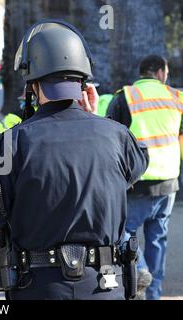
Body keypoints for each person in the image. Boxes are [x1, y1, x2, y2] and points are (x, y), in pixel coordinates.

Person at [0, 20, 149, 300]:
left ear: (33, 85)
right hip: (105, 287)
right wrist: (96, 120)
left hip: (38, 289)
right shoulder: (117, 136)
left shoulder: (13, 142)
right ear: (84, 83)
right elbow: (137, 165)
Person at [107, 55, 183, 300]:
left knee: (123, 231)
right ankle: (153, 293)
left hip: (135, 182)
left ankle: (139, 270)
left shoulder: (126, 97)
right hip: (169, 181)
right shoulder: (177, 98)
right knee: (158, 238)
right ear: (160, 72)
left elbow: (110, 140)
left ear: (142, 73)